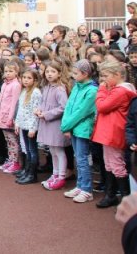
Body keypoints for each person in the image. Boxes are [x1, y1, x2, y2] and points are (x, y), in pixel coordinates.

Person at [92, 61, 137, 208]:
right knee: (110, 164)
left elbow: (102, 106)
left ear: (117, 75)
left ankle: (125, 200)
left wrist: (101, 90)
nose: (103, 80)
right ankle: (111, 195)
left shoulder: (120, 91)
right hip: (109, 132)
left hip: (114, 132)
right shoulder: (117, 89)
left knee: (117, 165)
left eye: (106, 76)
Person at [61, 60, 98, 203]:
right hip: (73, 127)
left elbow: (82, 112)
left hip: (82, 129)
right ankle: (80, 186)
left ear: (85, 74)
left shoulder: (92, 90)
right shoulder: (76, 86)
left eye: (76, 73)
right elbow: (69, 106)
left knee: (82, 159)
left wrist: (66, 125)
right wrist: (66, 125)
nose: (73, 75)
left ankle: (87, 190)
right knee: (78, 157)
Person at [36, 61, 70, 191]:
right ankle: (55, 174)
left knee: (59, 151)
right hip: (47, 123)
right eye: (47, 71)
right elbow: (42, 102)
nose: (49, 74)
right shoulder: (46, 87)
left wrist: (46, 114)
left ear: (59, 73)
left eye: (53, 71)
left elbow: (63, 107)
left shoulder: (60, 89)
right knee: (52, 150)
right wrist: (39, 110)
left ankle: (61, 177)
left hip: (55, 124)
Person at [13, 69, 42, 184]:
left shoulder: (36, 92)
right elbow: (21, 109)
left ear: (35, 80)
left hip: (30, 127)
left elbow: (35, 112)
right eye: (24, 77)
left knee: (32, 150)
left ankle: (32, 175)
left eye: (29, 78)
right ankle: (27, 170)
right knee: (28, 150)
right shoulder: (24, 91)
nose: (25, 80)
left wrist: (33, 128)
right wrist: (17, 123)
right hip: (23, 125)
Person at [0, 62, 22, 174]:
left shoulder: (16, 85)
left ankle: (16, 162)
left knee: (13, 141)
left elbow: (14, 103)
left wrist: (11, 118)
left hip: (9, 118)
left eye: (11, 71)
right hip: (2, 116)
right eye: (6, 71)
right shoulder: (5, 84)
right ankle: (11, 160)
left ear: (16, 72)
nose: (8, 73)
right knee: (8, 141)